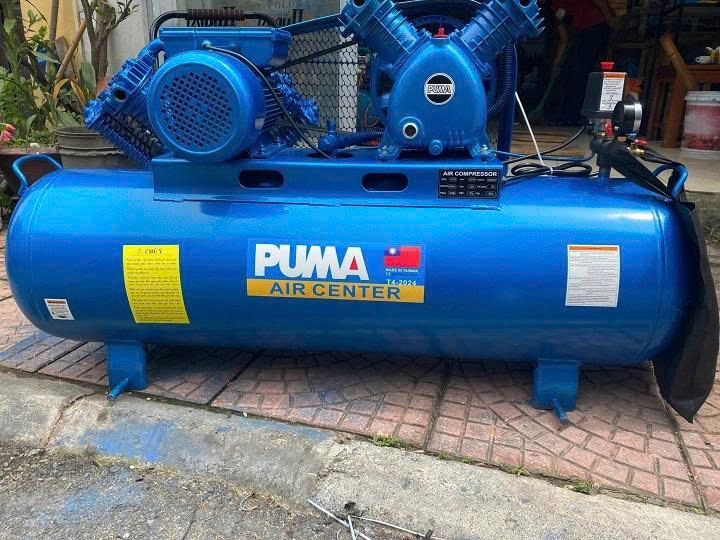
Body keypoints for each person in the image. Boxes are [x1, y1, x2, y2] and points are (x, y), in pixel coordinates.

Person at [552, 0, 617, 124]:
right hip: (582, 27)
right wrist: (556, 64)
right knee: (577, 71)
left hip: (593, 25)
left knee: (582, 71)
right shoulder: (555, 6)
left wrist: (611, 21)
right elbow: (563, 36)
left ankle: (576, 115)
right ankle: (569, 115)